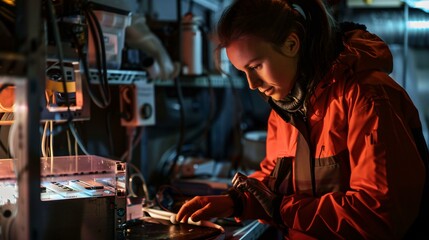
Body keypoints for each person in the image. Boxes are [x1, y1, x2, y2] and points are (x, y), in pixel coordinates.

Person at [175, 0, 429, 239]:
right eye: (244, 72)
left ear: (291, 44)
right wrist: (237, 202)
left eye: (256, 66)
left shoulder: (367, 96)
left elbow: (379, 214)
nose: (252, 84)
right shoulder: (284, 110)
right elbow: (275, 181)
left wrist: (282, 210)